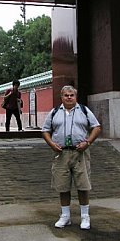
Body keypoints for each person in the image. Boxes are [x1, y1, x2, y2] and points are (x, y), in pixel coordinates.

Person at [42, 85, 101, 230]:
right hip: (61, 153)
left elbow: (96, 127)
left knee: (83, 185)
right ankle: (65, 216)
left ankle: (85, 217)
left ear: (76, 97)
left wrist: (88, 142)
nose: (69, 97)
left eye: (71, 95)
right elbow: (45, 130)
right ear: (61, 97)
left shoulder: (84, 110)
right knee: (62, 186)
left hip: (80, 152)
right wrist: (51, 144)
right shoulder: (54, 112)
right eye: (66, 95)